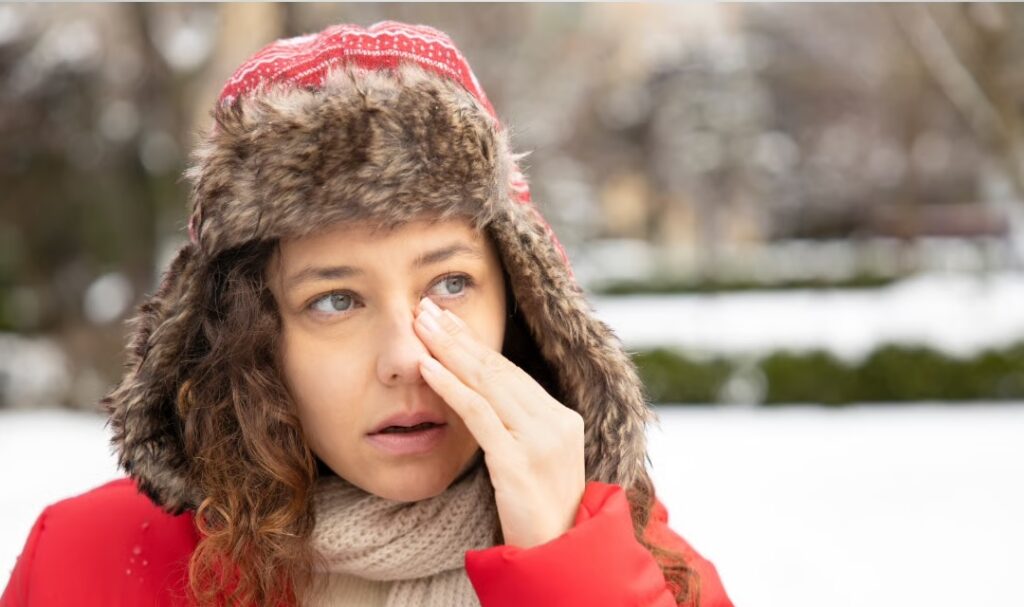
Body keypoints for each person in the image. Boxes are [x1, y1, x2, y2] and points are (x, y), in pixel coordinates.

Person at [1, 20, 734, 607]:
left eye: (449, 284)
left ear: (521, 305)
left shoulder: (649, 575)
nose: (406, 357)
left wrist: (567, 570)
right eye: (335, 299)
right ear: (253, 339)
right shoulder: (83, 561)